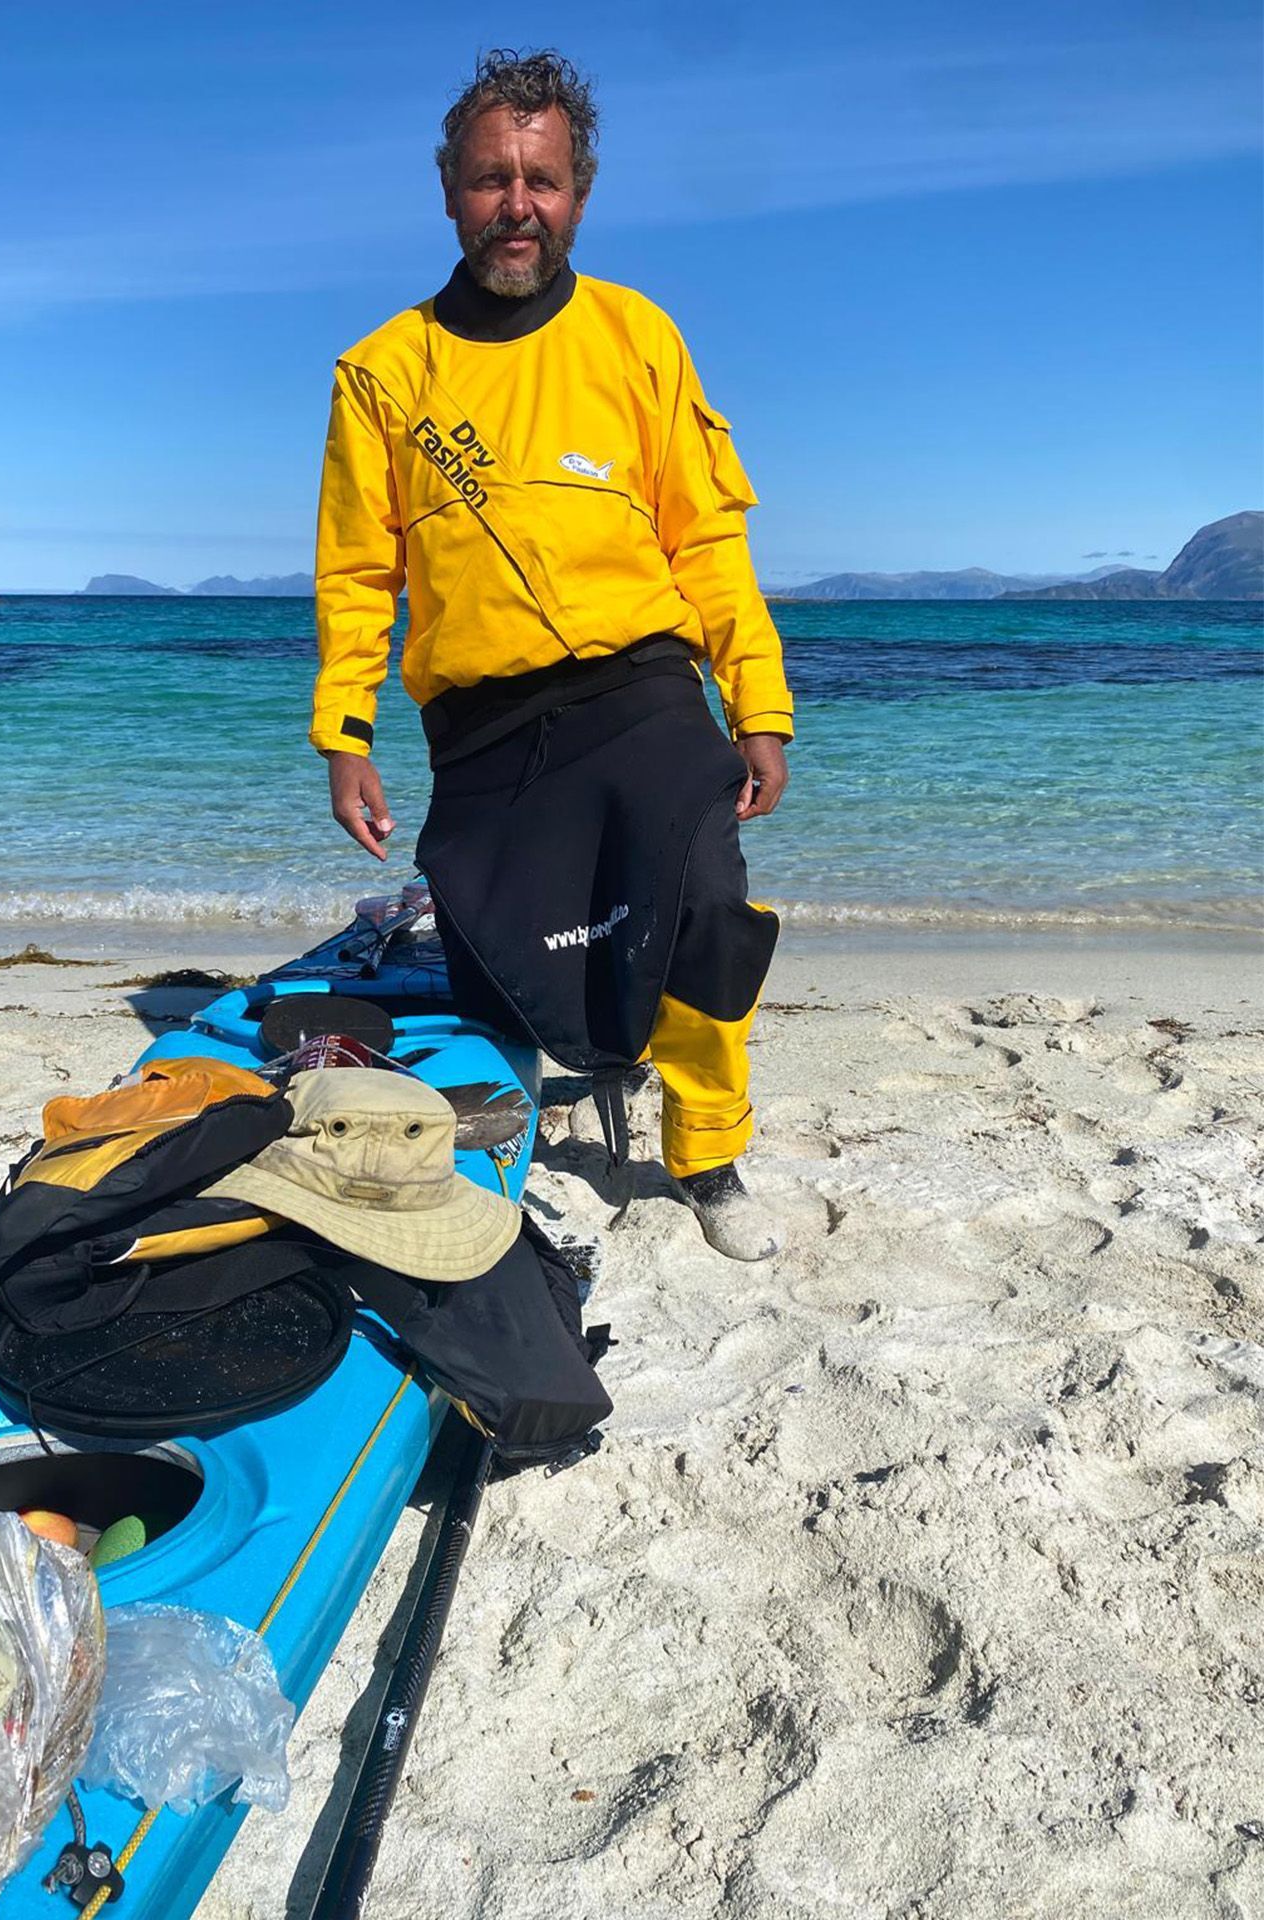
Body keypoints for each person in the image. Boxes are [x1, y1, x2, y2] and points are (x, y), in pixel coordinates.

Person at [312, 50, 794, 1260]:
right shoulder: (382, 371)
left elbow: (707, 540)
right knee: (498, 960)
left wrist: (757, 705)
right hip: (480, 726)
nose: (516, 205)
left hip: (640, 690)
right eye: (490, 180)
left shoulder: (635, 335)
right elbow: (357, 572)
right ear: (448, 192)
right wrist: (344, 731)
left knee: (704, 905)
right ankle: (537, 1110)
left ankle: (708, 1154)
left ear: (578, 194)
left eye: (542, 180)